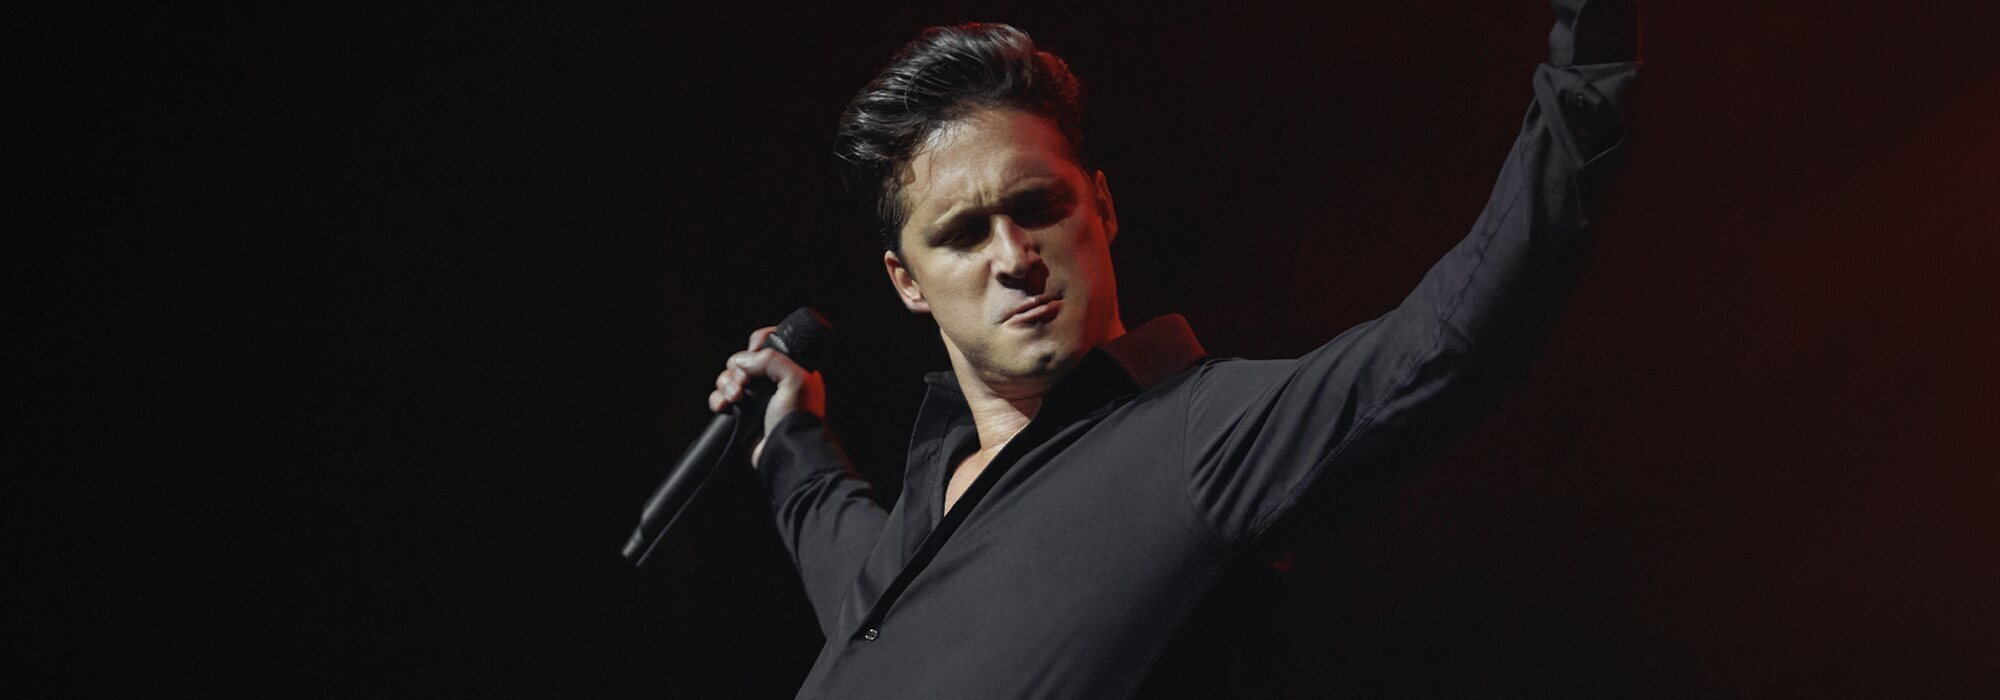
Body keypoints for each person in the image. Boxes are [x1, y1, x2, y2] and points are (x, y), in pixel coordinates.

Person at [705, 2, 1639, 696]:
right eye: (962, 234)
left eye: (1039, 207)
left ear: (1102, 207)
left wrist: (1590, 64)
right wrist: (789, 432)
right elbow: (836, 539)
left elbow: (1451, 340)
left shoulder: (1197, 437)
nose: (1015, 257)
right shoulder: (910, 540)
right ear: (907, 281)